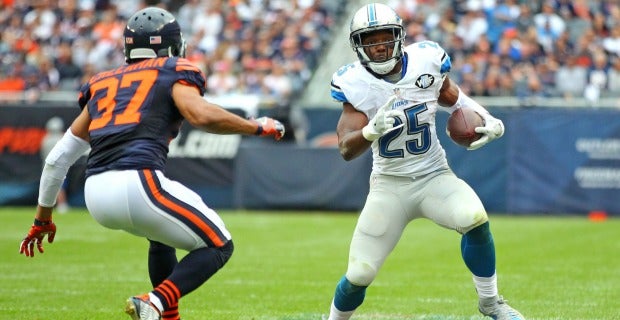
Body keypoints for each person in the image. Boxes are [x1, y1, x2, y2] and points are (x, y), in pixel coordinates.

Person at [18, 7, 284, 320]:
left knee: (160, 238)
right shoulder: (172, 70)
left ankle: (165, 315)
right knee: (219, 244)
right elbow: (200, 114)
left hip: (96, 195)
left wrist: (42, 218)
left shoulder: (102, 83)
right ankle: (156, 302)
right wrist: (254, 126)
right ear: (171, 46)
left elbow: (57, 158)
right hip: (138, 183)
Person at [326, 3, 524, 320]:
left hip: (434, 175)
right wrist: (367, 131)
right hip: (389, 186)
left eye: (384, 37)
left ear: (399, 37)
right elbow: (345, 149)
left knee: (474, 217)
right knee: (360, 273)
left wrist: (488, 118)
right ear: (358, 46)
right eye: (369, 40)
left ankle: (491, 302)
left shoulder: (426, 60)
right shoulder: (353, 83)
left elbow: (455, 98)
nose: (378, 46)